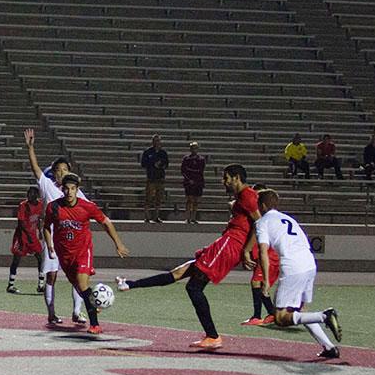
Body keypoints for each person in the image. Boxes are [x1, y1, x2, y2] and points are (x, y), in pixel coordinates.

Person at [116, 164, 260, 350]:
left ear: (237, 177)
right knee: (179, 272)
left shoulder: (247, 195)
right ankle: (130, 284)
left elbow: (260, 223)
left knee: (194, 287)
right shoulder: (242, 197)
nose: (223, 181)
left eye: (226, 178)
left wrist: (248, 250)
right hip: (226, 243)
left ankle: (213, 336)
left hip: (230, 245)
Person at [253, 189, 342, 359]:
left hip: (293, 266)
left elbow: (263, 252)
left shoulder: (262, 222)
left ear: (262, 205)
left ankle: (325, 316)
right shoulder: (288, 218)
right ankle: (329, 347)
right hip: (309, 263)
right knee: (299, 311)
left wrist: (265, 280)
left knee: (280, 318)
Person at [43, 173, 130, 335]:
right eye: (66, 189)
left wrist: (118, 243)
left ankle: (95, 324)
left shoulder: (87, 207)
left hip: (83, 251)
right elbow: (46, 226)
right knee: (80, 287)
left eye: (73, 189)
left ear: (77, 190)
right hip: (65, 254)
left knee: (82, 285)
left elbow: (105, 221)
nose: (69, 192)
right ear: (62, 190)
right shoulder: (53, 207)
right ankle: (94, 303)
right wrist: (49, 245)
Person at [25, 128, 92, 326]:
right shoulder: (48, 186)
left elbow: (89, 210)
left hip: (73, 239)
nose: (62, 173)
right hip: (52, 237)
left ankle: (77, 311)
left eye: (65, 169)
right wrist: (30, 148)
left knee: (78, 276)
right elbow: (35, 168)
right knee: (52, 275)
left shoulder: (76, 192)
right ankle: (51, 313)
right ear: (54, 173)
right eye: (59, 170)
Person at [241, 184, 279, 326]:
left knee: (258, 283)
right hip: (274, 255)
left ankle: (262, 315)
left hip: (270, 256)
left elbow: (255, 235)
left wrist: (246, 251)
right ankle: (271, 314)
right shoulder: (274, 218)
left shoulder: (262, 220)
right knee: (260, 284)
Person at [7, 185, 45, 294]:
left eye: (33, 193)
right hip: (22, 236)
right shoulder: (23, 205)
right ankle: (10, 285)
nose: (30, 195)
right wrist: (28, 235)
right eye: (29, 193)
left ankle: (41, 285)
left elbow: (38, 219)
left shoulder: (40, 205)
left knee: (40, 258)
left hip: (32, 235)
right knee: (17, 259)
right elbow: (21, 222)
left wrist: (40, 231)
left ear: (37, 195)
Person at [141, 134, 168, 223]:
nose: (156, 142)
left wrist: (160, 165)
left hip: (160, 177)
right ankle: (147, 215)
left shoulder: (163, 153)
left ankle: (156, 215)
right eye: (155, 141)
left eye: (158, 141)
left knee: (158, 197)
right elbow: (143, 164)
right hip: (151, 177)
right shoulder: (148, 152)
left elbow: (166, 164)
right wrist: (152, 164)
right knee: (148, 197)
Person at [180, 141, 205, 224]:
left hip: (198, 182)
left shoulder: (201, 159)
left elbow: (200, 171)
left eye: (195, 148)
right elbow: (183, 171)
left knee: (196, 200)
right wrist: (189, 179)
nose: (194, 150)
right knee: (189, 200)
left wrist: (196, 180)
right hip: (188, 182)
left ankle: (194, 217)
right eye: (192, 148)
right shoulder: (186, 159)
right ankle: (187, 217)